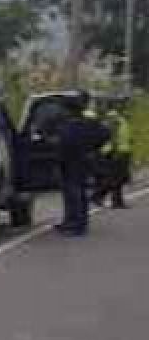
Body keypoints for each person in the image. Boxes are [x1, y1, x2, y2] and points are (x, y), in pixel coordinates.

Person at [55, 94, 111, 237]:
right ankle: (70, 221)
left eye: (64, 109)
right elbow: (104, 134)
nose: (62, 111)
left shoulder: (77, 124)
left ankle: (78, 225)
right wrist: (93, 148)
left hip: (76, 162)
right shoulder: (77, 123)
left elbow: (105, 134)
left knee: (76, 193)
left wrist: (91, 148)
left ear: (70, 109)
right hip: (73, 162)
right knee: (71, 193)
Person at [93, 104, 132, 209]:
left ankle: (116, 201)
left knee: (119, 178)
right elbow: (113, 137)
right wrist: (115, 152)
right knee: (115, 178)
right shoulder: (115, 119)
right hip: (116, 153)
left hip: (122, 152)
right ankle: (99, 196)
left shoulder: (120, 119)